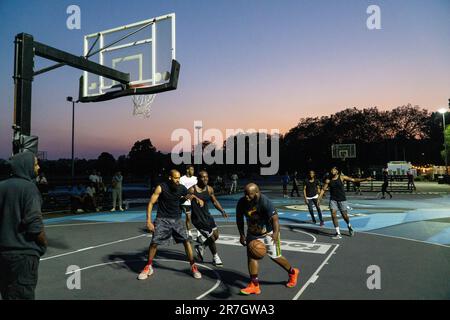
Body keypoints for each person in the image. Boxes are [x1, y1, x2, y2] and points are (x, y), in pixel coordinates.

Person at [138, 169, 204, 280]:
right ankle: (148, 266)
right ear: (170, 178)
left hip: (177, 219)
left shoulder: (181, 188)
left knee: (186, 241)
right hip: (162, 219)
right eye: (175, 178)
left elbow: (186, 197)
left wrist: (196, 198)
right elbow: (151, 203)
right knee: (154, 243)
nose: (178, 180)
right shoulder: (161, 187)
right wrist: (148, 221)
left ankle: (193, 266)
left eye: (179, 178)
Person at [236, 183, 299, 295]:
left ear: (256, 193)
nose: (246, 196)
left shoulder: (265, 202)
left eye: (249, 194)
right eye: (245, 194)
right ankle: (254, 285)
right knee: (251, 256)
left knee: (275, 256)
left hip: (268, 233)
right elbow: (239, 219)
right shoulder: (242, 203)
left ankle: (293, 272)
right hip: (252, 234)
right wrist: (241, 234)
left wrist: (275, 233)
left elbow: (275, 219)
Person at [0, 152, 47, 300]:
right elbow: (34, 226)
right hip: (23, 256)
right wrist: (43, 243)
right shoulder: (30, 188)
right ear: (25, 166)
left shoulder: (1, 186)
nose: (38, 167)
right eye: (35, 164)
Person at [319, 167, 372, 239]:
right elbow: (323, 189)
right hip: (333, 200)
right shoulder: (328, 180)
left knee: (345, 216)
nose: (332, 171)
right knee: (333, 214)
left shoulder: (342, 177)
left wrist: (365, 179)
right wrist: (319, 198)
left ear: (337, 171)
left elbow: (354, 180)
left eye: (334, 170)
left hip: (342, 200)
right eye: (331, 170)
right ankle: (338, 233)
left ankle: (349, 226)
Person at [189, 170, 228, 266]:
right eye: (203, 177)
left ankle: (201, 247)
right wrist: (195, 198)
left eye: (206, 176)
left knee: (216, 236)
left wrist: (222, 210)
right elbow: (184, 197)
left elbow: (214, 201)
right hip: (198, 219)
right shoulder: (192, 189)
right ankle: (215, 257)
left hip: (207, 216)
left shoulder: (209, 189)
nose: (205, 178)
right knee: (211, 238)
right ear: (198, 178)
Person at [180, 165, 198, 239]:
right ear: (187, 170)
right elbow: (181, 190)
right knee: (188, 217)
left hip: (194, 200)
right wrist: (187, 195)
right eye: (191, 169)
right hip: (186, 201)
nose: (193, 171)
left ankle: (198, 234)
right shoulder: (182, 179)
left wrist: (195, 196)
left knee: (197, 217)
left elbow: (197, 189)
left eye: (193, 170)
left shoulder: (195, 178)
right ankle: (189, 233)